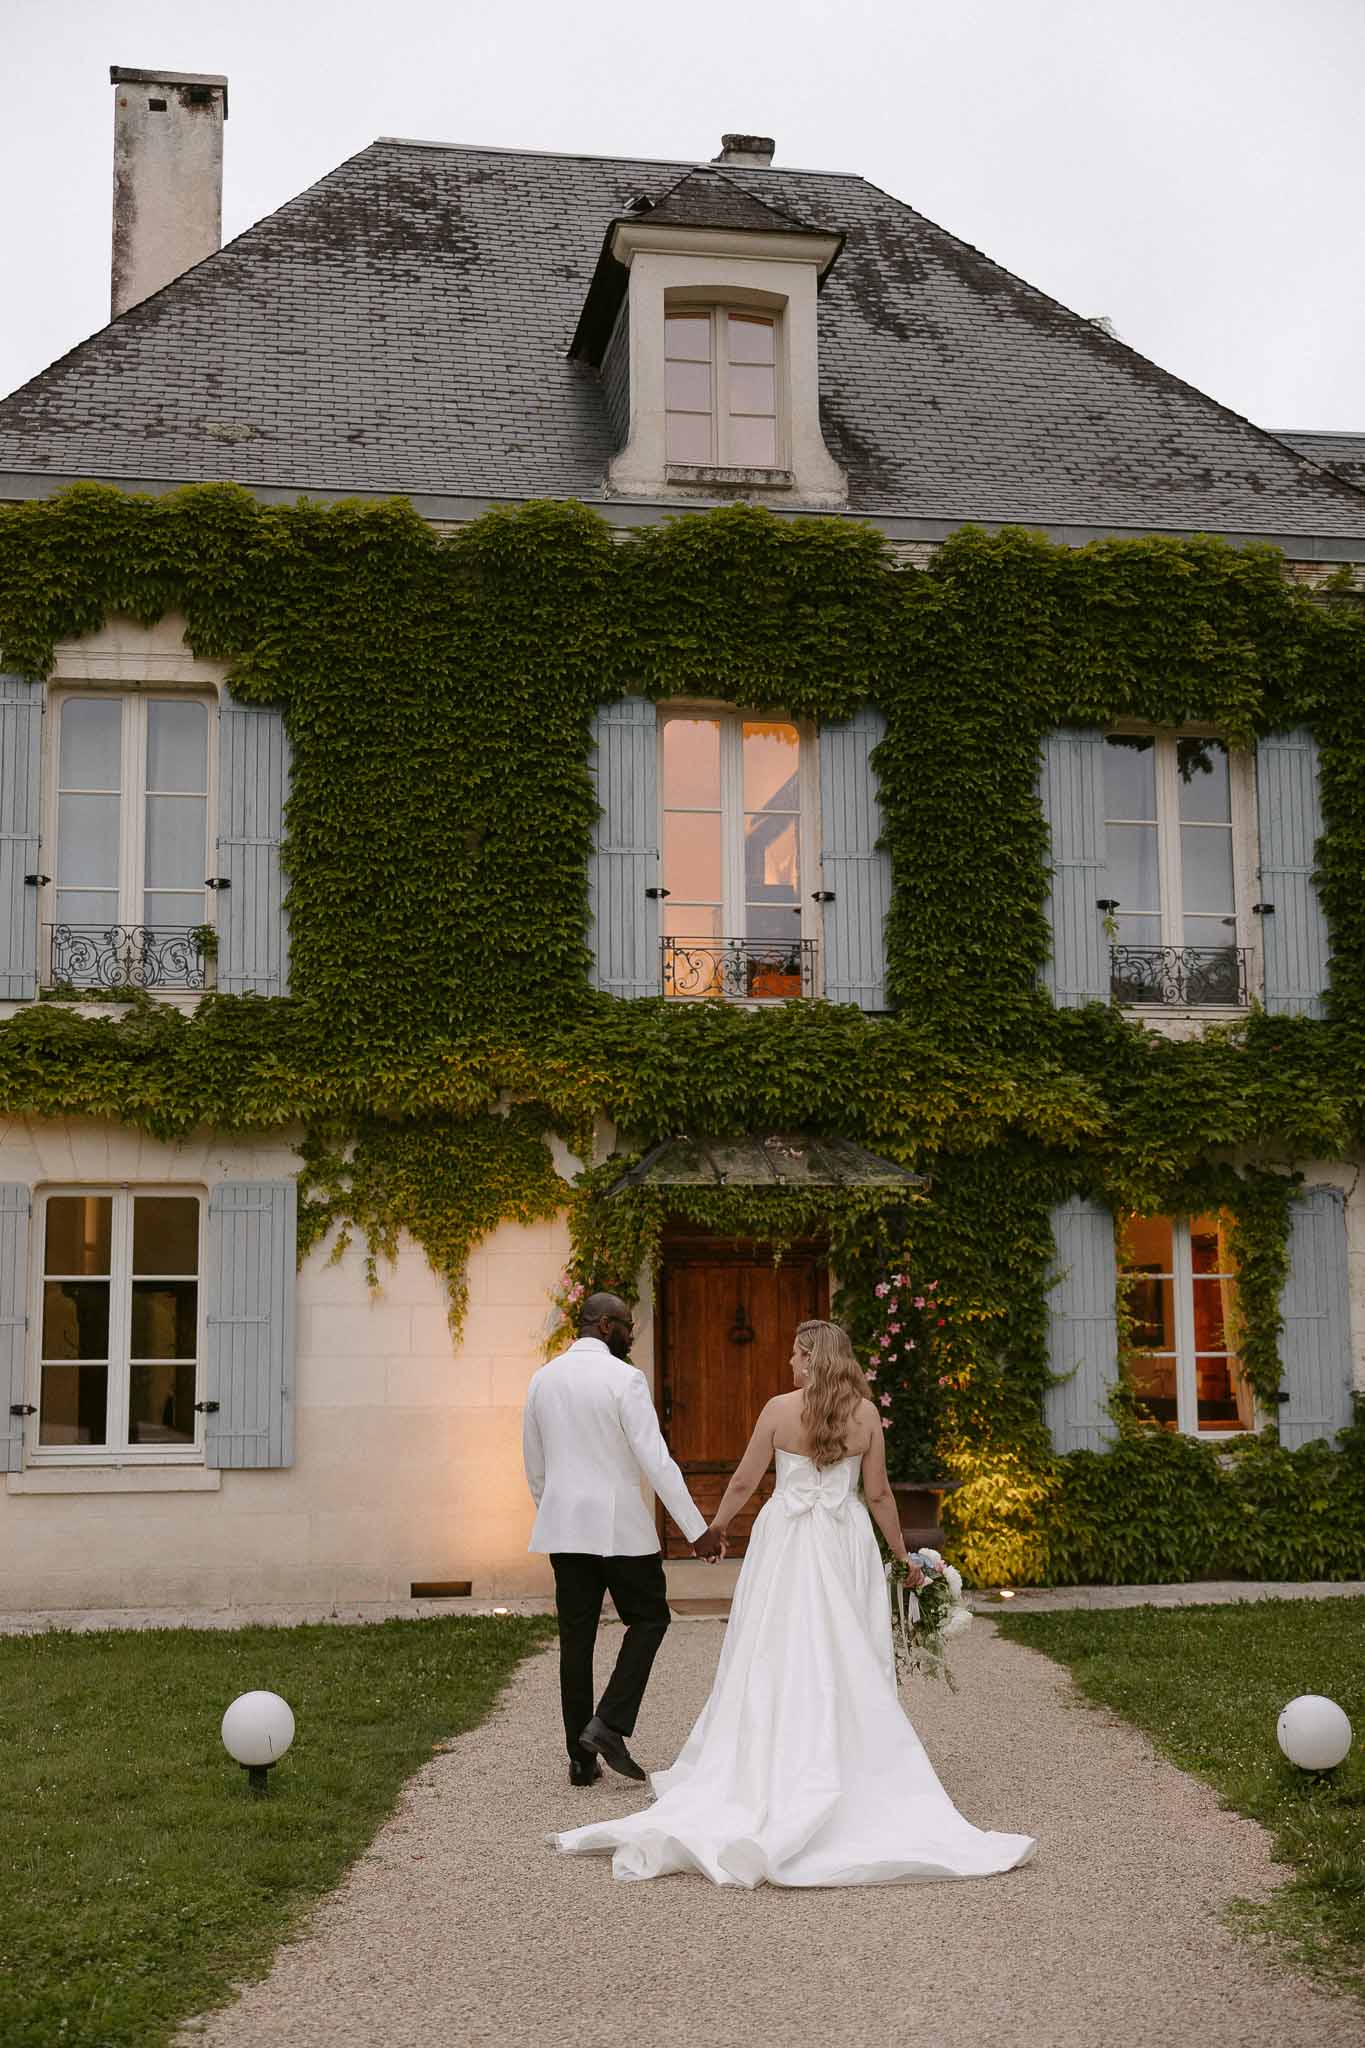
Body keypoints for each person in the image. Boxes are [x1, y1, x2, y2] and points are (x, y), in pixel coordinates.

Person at [551, 1318, 1036, 1885]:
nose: (787, 1362)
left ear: (810, 1359)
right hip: (844, 1538)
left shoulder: (779, 1410)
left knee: (774, 1643)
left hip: (786, 1540)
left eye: (793, 1353)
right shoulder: (866, 1414)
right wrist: (903, 1556)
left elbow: (743, 1482)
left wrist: (714, 1530)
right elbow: (877, 1493)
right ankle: (848, 1757)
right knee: (844, 1644)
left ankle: (772, 1754)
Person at [523, 1290, 725, 1788]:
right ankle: (609, 1724)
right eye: (628, 1325)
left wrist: (556, 1512)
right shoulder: (625, 1379)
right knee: (650, 1617)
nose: (632, 1335)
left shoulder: (542, 1380)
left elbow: (535, 1465)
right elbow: (655, 1460)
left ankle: (580, 1758)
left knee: (577, 1639)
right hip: (620, 1530)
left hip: (564, 1529)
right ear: (607, 1325)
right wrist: (697, 1531)